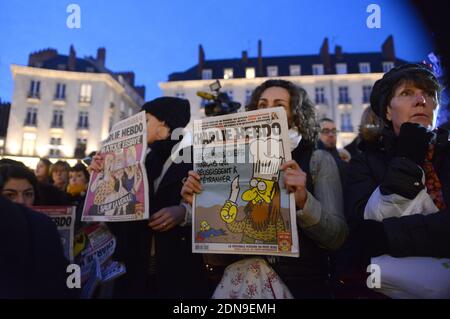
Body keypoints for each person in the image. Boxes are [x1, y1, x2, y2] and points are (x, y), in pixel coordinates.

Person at [181, 79, 348, 298]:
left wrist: (303, 201)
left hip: (300, 286)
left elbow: (337, 237)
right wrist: (201, 207)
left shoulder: (317, 159)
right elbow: (216, 258)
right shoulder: (231, 161)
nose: (269, 109)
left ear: (295, 114)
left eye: (279, 104)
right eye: (262, 104)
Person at [344, 63, 450, 294]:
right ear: (388, 111)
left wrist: (388, 235)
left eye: (429, 94)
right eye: (407, 93)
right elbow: (363, 234)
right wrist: (407, 159)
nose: (421, 101)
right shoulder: (364, 163)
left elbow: (378, 233)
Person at [88, 97, 208, 298]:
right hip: (135, 272)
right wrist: (101, 178)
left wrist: (184, 213)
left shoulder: (199, 156)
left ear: (164, 123)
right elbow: (116, 217)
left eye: (145, 121)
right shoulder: (140, 159)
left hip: (178, 272)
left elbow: (217, 209)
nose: (139, 128)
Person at [317, 117, 349, 186]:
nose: (331, 135)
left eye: (334, 131)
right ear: (317, 135)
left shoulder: (343, 157)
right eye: (325, 131)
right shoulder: (315, 159)